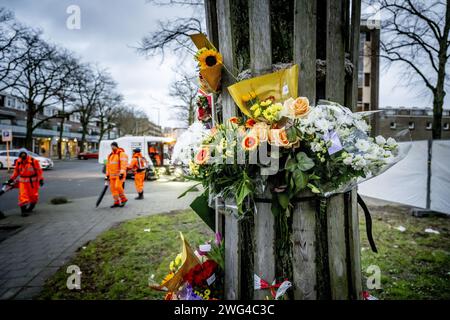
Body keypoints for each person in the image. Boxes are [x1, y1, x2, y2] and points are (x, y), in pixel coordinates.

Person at [7, 149, 44, 217]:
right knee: (23, 196)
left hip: (33, 183)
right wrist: (11, 179)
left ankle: (30, 208)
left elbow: (39, 171)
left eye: (24, 154)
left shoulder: (33, 161)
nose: (23, 156)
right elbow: (16, 172)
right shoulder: (19, 162)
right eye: (21, 155)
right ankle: (23, 211)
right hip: (23, 182)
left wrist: (41, 179)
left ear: (26, 154)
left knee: (33, 196)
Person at [105, 142, 128, 208]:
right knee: (113, 189)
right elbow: (108, 166)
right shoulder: (110, 155)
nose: (112, 148)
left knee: (117, 186)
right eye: (111, 146)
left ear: (116, 146)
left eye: (113, 146)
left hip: (119, 175)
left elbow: (123, 164)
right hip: (112, 176)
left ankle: (123, 199)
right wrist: (107, 175)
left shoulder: (121, 154)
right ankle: (116, 201)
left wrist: (122, 173)